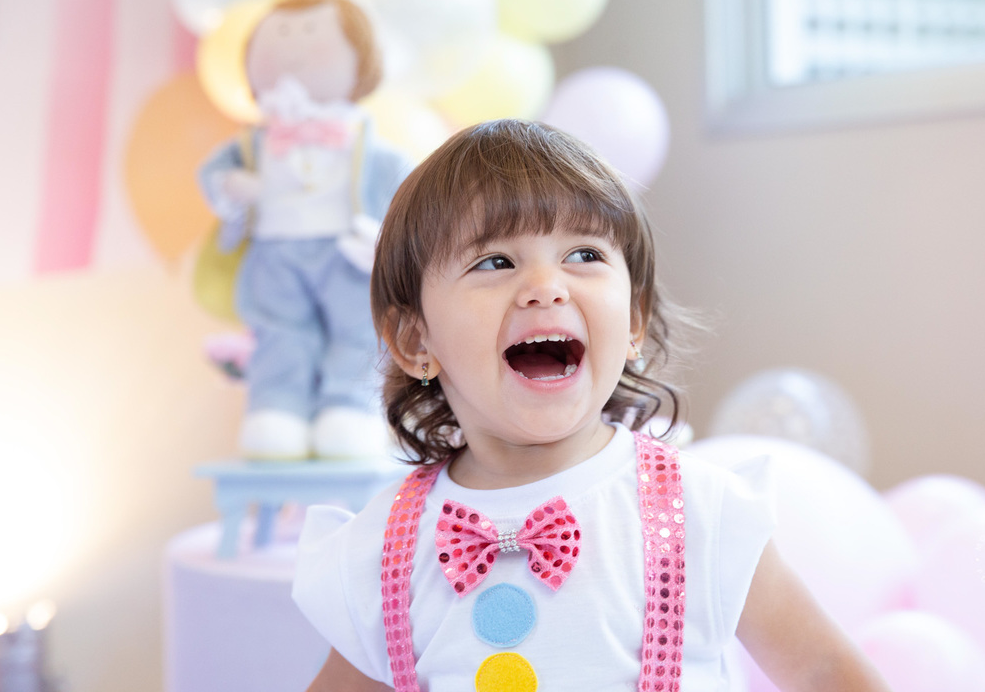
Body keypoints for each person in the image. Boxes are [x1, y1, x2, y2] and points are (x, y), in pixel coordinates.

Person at [292, 120, 892, 691]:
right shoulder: (386, 549)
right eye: (495, 261)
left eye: (584, 255)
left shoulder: (700, 513)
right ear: (415, 341)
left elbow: (821, 673)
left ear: (633, 319)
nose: (547, 286)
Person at [198, 0, 413, 461]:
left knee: (358, 330)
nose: (293, 47)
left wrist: (389, 236)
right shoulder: (254, 140)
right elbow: (212, 177)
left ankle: (350, 409)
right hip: (274, 253)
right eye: (280, 35)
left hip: (350, 254)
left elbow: (405, 184)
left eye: (310, 33)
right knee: (279, 331)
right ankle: (276, 409)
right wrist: (232, 186)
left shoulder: (362, 138)